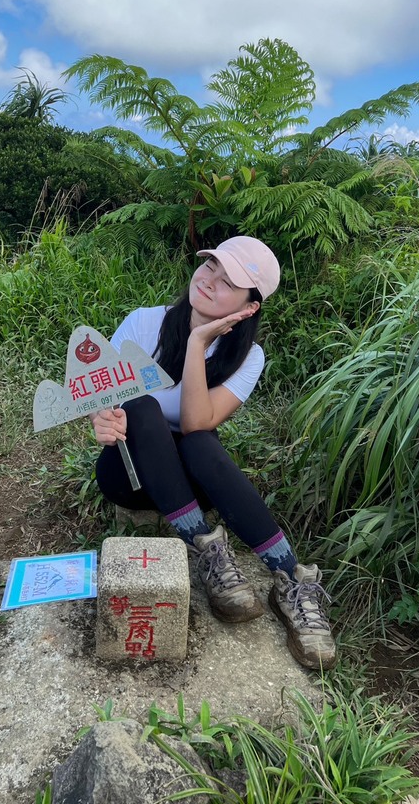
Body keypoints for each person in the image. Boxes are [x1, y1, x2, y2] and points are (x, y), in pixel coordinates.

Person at [90, 236, 336, 670]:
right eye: (209, 268)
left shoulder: (248, 357)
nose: (208, 281)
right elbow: (100, 395)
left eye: (227, 282)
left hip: (190, 483)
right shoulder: (144, 325)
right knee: (142, 407)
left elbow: (196, 423)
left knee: (202, 441)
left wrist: (199, 343)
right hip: (127, 476)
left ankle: (291, 579)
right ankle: (210, 551)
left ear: (249, 306)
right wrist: (101, 418)